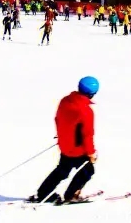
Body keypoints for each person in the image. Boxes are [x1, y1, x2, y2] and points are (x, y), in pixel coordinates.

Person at [29, 77, 99, 205]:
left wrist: (63, 137)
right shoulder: (85, 111)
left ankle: (42, 194)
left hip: (65, 145)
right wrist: (91, 153)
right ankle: (71, 195)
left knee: (62, 171)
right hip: (78, 149)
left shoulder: (66, 101)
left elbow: (58, 119)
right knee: (87, 171)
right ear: (92, 93)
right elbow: (87, 135)